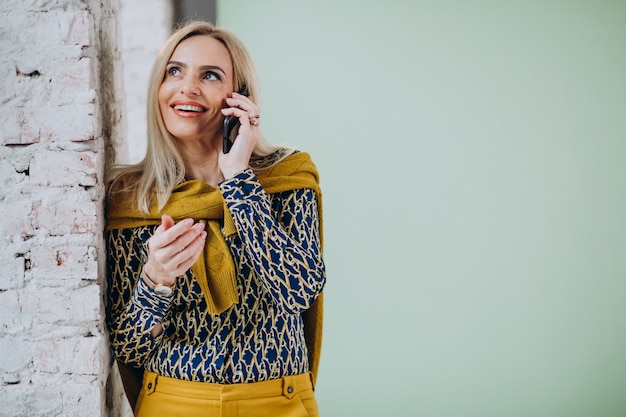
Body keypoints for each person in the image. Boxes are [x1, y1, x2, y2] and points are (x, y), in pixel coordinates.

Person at [105, 20, 325, 417]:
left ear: (238, 98)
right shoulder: (132, 198)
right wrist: (157, 279)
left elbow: (299, 290)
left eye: (209, 75)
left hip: (278, 402)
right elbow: (128, 347)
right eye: (175, 71)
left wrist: (239, 179)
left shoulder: (287, 176)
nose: (187, 86)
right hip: (173, 401)